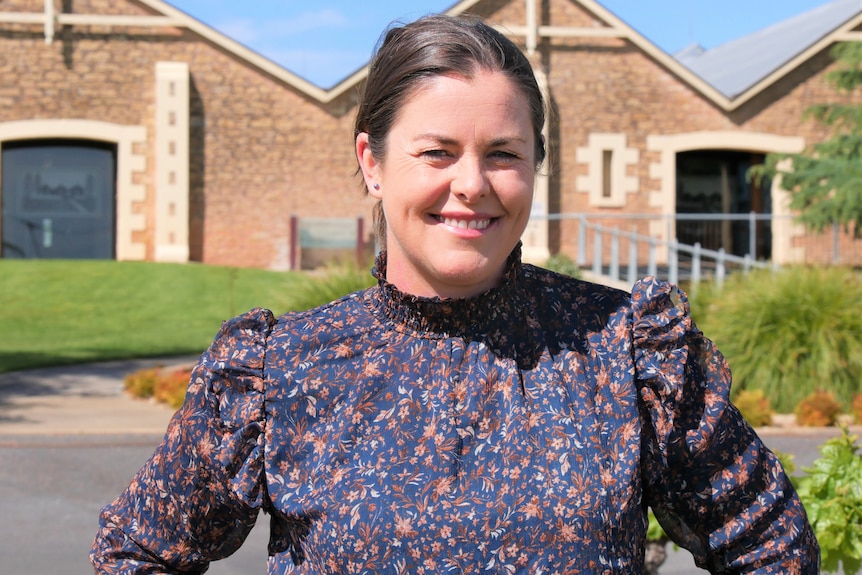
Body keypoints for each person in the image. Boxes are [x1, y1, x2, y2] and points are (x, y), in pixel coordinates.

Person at [91, 14, 819, 574]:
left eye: (503, 154)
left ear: (535, 166)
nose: (471, 184)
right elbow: (136, 550)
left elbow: (774, 547)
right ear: (371, 162)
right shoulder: (284, 371)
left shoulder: (624, 351)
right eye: (437, 152)